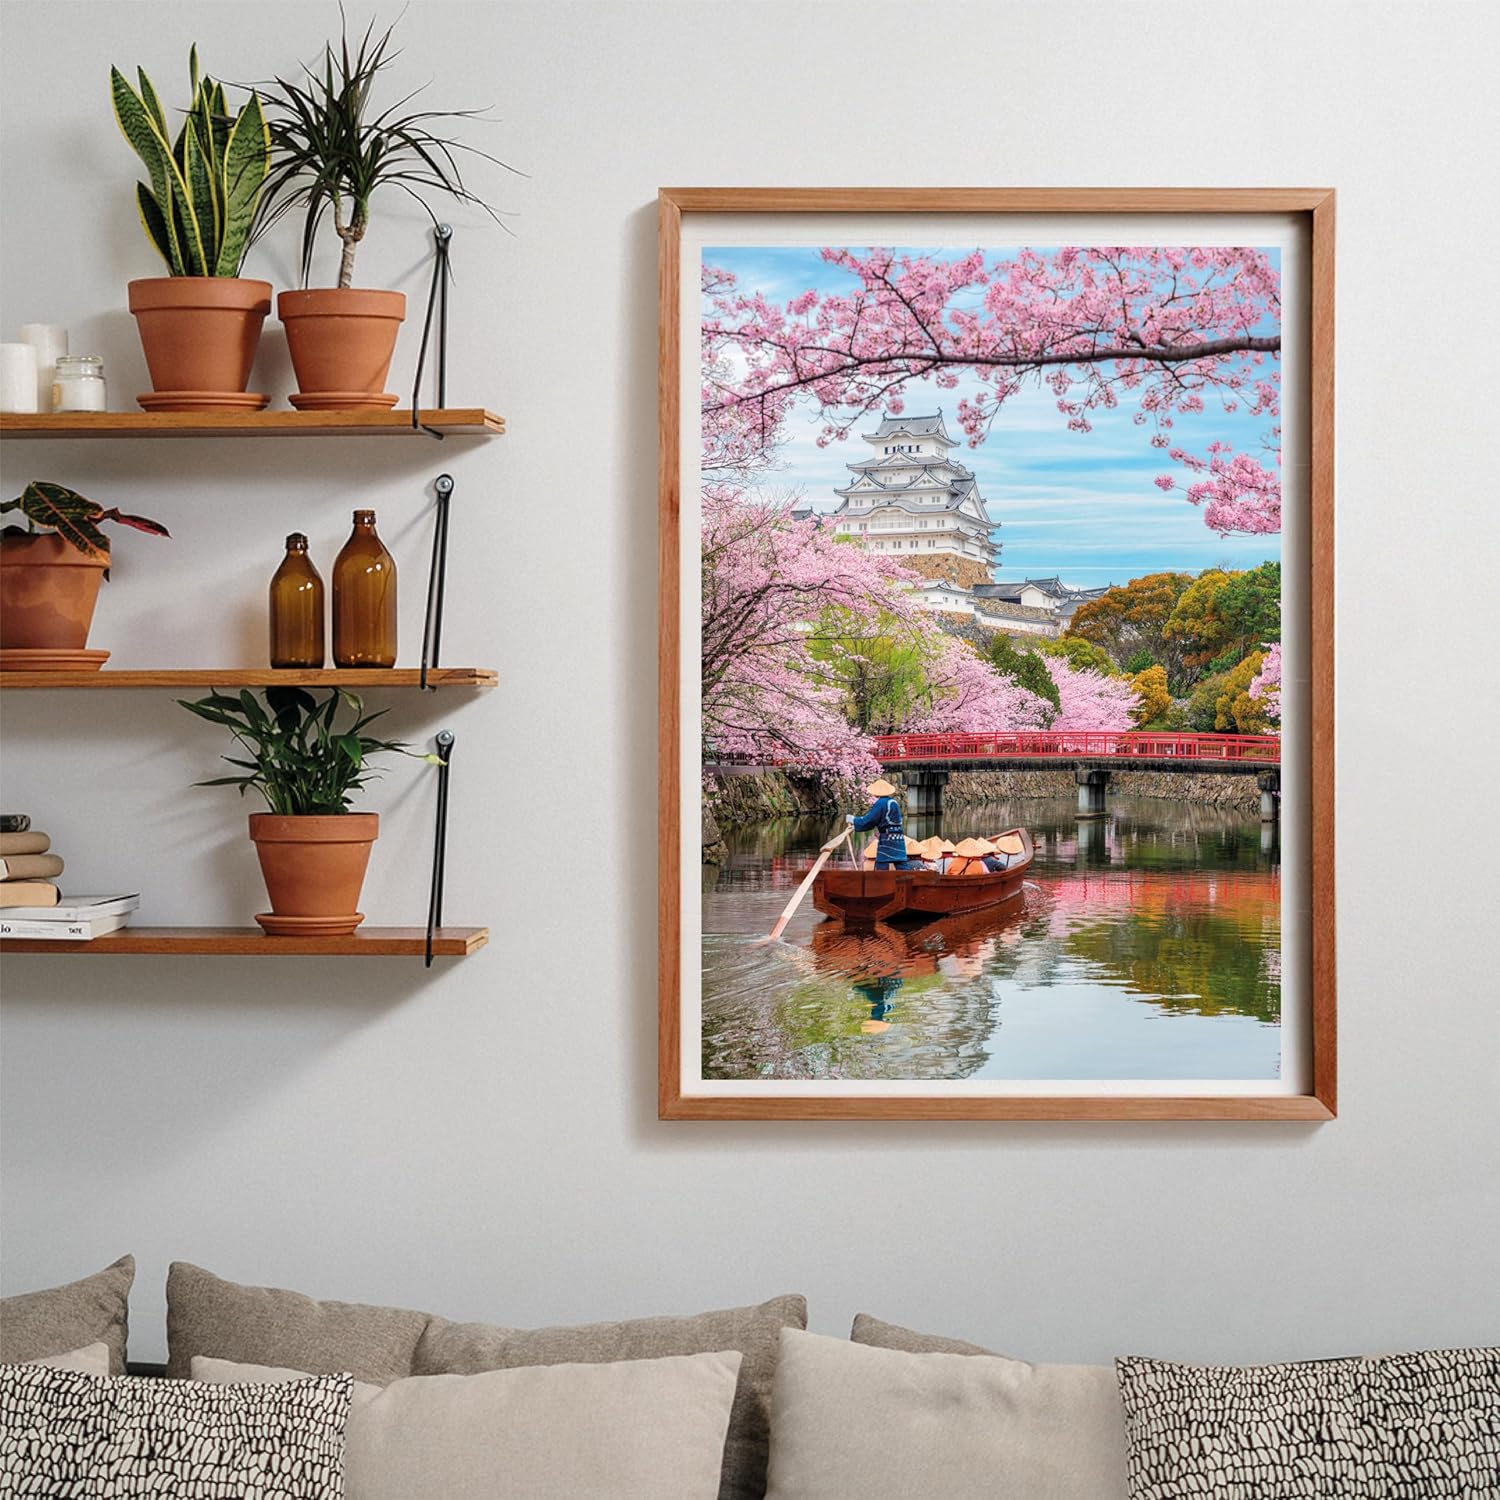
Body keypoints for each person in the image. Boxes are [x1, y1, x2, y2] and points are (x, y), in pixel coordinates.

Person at [847, 778, 916, 870]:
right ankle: (908, 881)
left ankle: (880, 882)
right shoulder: (894, 802)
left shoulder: (880, 803)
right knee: (901, 862)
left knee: (882, 863)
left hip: (887, 838)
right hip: (899, 837)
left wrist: (854, 820)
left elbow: (869, 820)